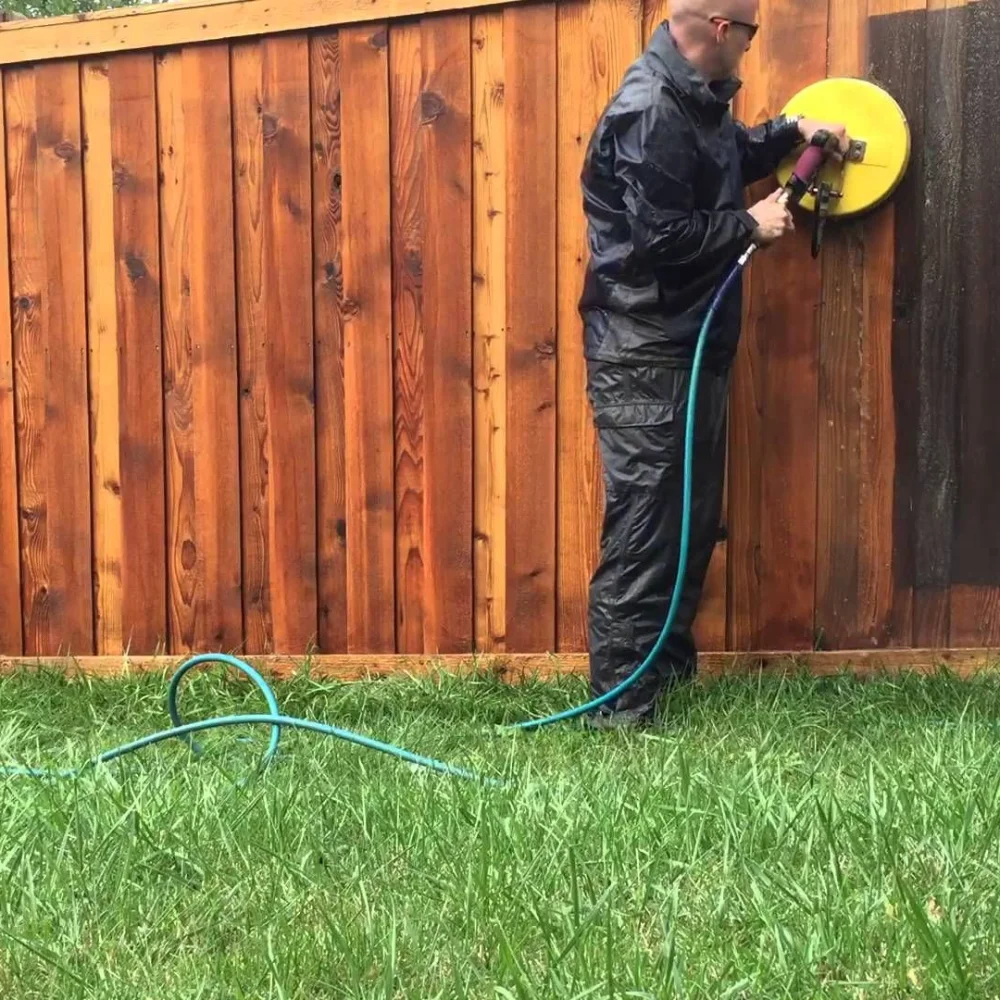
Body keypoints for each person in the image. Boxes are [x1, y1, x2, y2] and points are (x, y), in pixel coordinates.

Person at [579, 0, 848, 728]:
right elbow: (660, 237)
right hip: (645, 351)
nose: (752, 50)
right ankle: (619, 711)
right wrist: (747, 225)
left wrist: (793, 133)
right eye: (752, 34)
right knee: (646, 529)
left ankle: (659, 682)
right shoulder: (651, 109)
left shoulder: (689, 102)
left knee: (689, 522)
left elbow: (724, 159)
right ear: (724, 30)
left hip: (685, 346)